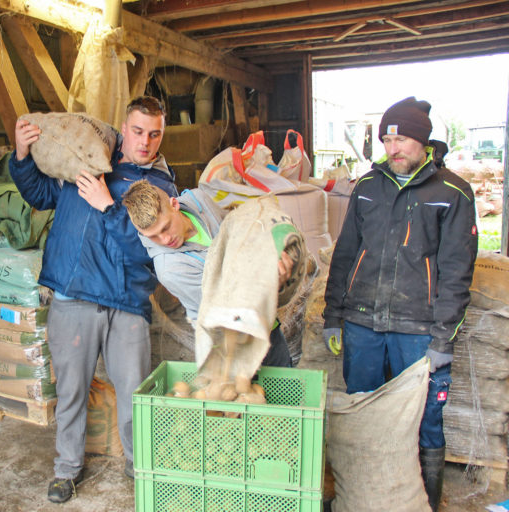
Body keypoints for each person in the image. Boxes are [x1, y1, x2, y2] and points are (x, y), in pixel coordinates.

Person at [9, 96, 177, 503]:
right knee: (71, 391)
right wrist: (21, 155)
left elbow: (146, 249)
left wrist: (107, 206)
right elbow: (40, 194)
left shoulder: (160, 186)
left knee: (135, 394)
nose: (145, 142)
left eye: (155, 134)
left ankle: (140, 470)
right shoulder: (85, 155)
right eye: (138, 131)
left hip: (126, 301)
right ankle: (66, 469)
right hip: (74, 293)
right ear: (124, 126)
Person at [322, 97, 478, 511]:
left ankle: (425, 502)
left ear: (424, 142)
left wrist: (443, 339)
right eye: (387, 139)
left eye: (402, 139)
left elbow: (457, 272)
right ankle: (362, 499)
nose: (393, 149)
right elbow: (345, 253)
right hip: (362, 324)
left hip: (418, 330)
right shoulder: (367, 188)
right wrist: (333, 316)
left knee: (425, 423)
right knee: (363, 413)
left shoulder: (452, 192)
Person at [121, 180, 294, 368]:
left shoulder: (199, 200)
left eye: (165, 227)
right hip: (230, 346)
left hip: (266, 325)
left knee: (287, 388)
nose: (164, 239)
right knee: (247, 395)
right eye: (153, 236)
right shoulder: (170, 269)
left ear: (175, 205)